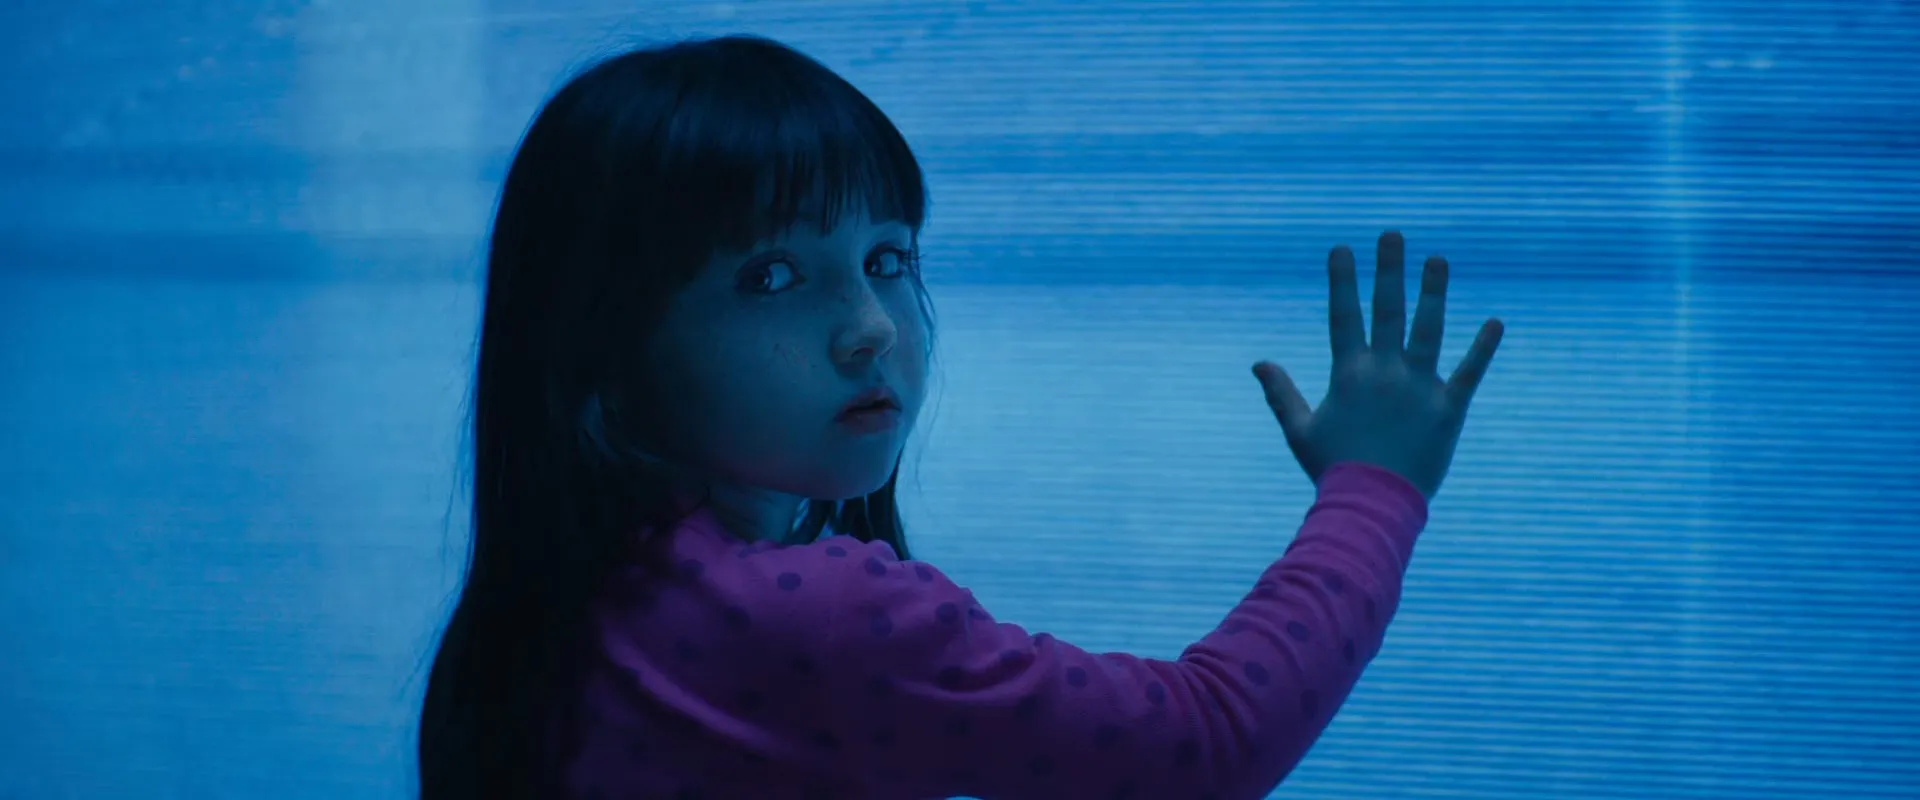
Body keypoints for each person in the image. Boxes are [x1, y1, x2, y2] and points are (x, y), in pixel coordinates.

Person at [416, 34, 1504, 800]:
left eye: (888, 260)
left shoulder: (570, 602)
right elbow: (1208, 739)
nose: (870, 329)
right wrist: (1376, 485)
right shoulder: (818, 617)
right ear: (604, 350)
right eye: (773, 276)